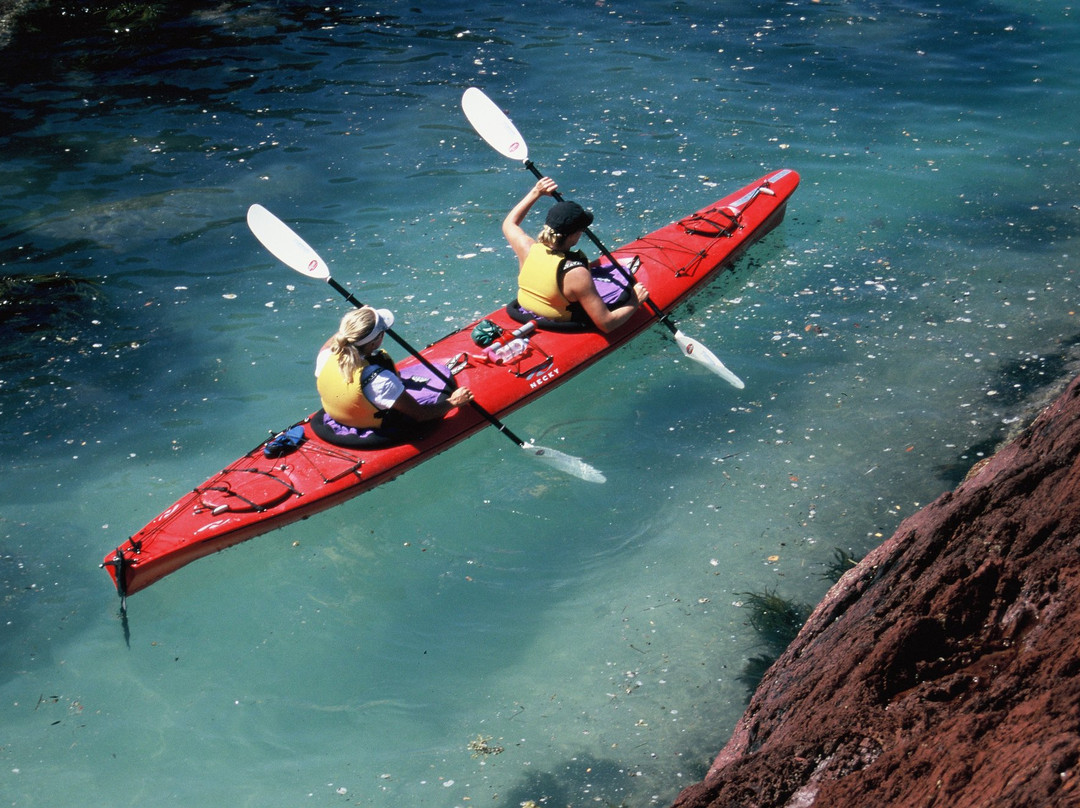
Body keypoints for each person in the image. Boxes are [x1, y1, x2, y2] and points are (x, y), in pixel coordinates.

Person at [502, 177, 649, 333]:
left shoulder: (527, 247)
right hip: (560, 322)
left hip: (525, 310)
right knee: (623, 291)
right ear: (573, 236)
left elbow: (509, 223)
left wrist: (536, 192)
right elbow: (607, 324)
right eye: (581, 230)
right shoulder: (577, 274)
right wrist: (635, 301)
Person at [313, 306, 473, 446]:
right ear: (374, 343)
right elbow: (420, 415)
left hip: (338, 418)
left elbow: (341, 337)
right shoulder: (379, 380)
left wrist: (359, 319)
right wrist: (454, 402)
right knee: (440, 395)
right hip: (374, 428)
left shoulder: (327, 355)